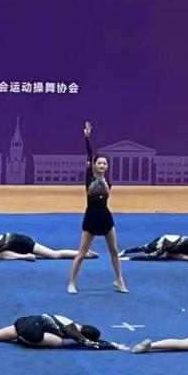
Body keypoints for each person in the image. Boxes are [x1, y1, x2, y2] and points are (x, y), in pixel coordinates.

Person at [66, 121, 127, 294]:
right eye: (99, 163)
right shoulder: (89, 179)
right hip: (91, 219)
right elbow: (89, 154)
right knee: (82, 253)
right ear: (94, 165)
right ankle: (71, 283)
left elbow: (105, 192)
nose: (101, 165)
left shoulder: (108, 183)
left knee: (114, 251)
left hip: (105, 218)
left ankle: (119, 281)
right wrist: (87, 138)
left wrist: (102, 179)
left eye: (104, 164)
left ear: (107, 166)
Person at [0, 314, 127, 350]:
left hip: (26, 320)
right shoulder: (74, 333)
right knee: (59, 343)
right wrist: (115, 345)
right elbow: (91, 344)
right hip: (32, 332)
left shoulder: (69, 320)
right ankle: (22, 340)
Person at [0, 232, 98, 263]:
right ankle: (84, 252)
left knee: (54, 254)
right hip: (19, 240)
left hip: (26, 244)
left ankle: (84, 253)